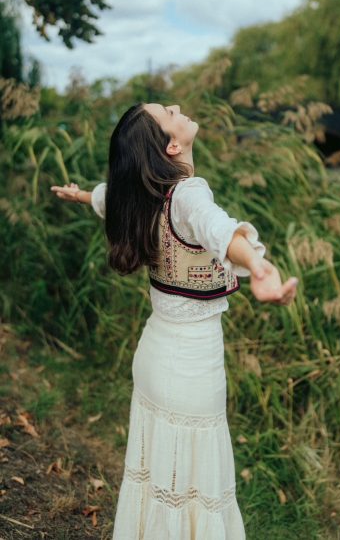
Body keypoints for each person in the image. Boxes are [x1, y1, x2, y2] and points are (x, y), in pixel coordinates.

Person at [51, 102, 298, 539]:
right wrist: (257, 265)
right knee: (192, 489)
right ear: (171, 145)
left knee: (161, 481)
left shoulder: (142, 195)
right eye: (168, 111)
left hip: (154, 357)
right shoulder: (187, 193)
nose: (178, 107)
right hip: (190, 371)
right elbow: (217, 227)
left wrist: (82, 195)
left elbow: (110, 197)